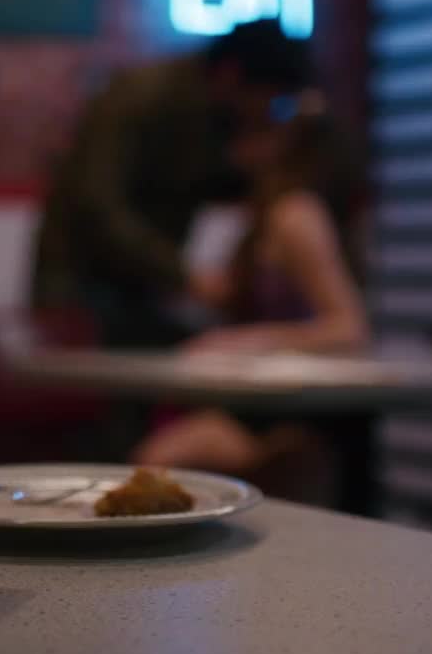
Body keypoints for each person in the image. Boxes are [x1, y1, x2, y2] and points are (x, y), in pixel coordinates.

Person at [131, 96, 379, 514]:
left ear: (281, 143)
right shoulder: (262, 213)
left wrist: (244, 342)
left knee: (155, 462)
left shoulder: (296, 213)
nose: (233, 148)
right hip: (265, 399)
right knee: (152, 459)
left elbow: (349, 326)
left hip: (297, 412)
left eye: (247, 132)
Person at [30, 20, 314, 349]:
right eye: (270, 100)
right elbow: (97, 207)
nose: (267, 113)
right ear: (232, 75)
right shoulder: (140, 97)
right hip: (80, 288)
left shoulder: (215, 113)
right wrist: (185, 276)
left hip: (138, 289)